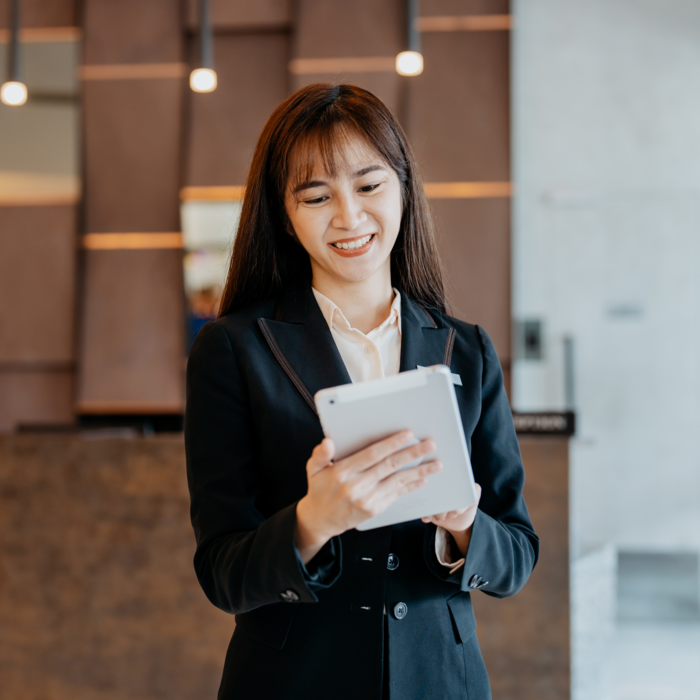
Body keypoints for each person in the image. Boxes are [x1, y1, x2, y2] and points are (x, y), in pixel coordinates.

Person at [185, 83, 538, 700]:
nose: (348, 217)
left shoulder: (469, 350)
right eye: (316, 196)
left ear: (404, 188)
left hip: (441, 683)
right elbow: (223, 573)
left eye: (369, 186)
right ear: (287, 218)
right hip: (294, 684)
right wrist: (310, 522)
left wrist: (462, 524)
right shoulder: (233, 350)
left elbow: (516, 555)